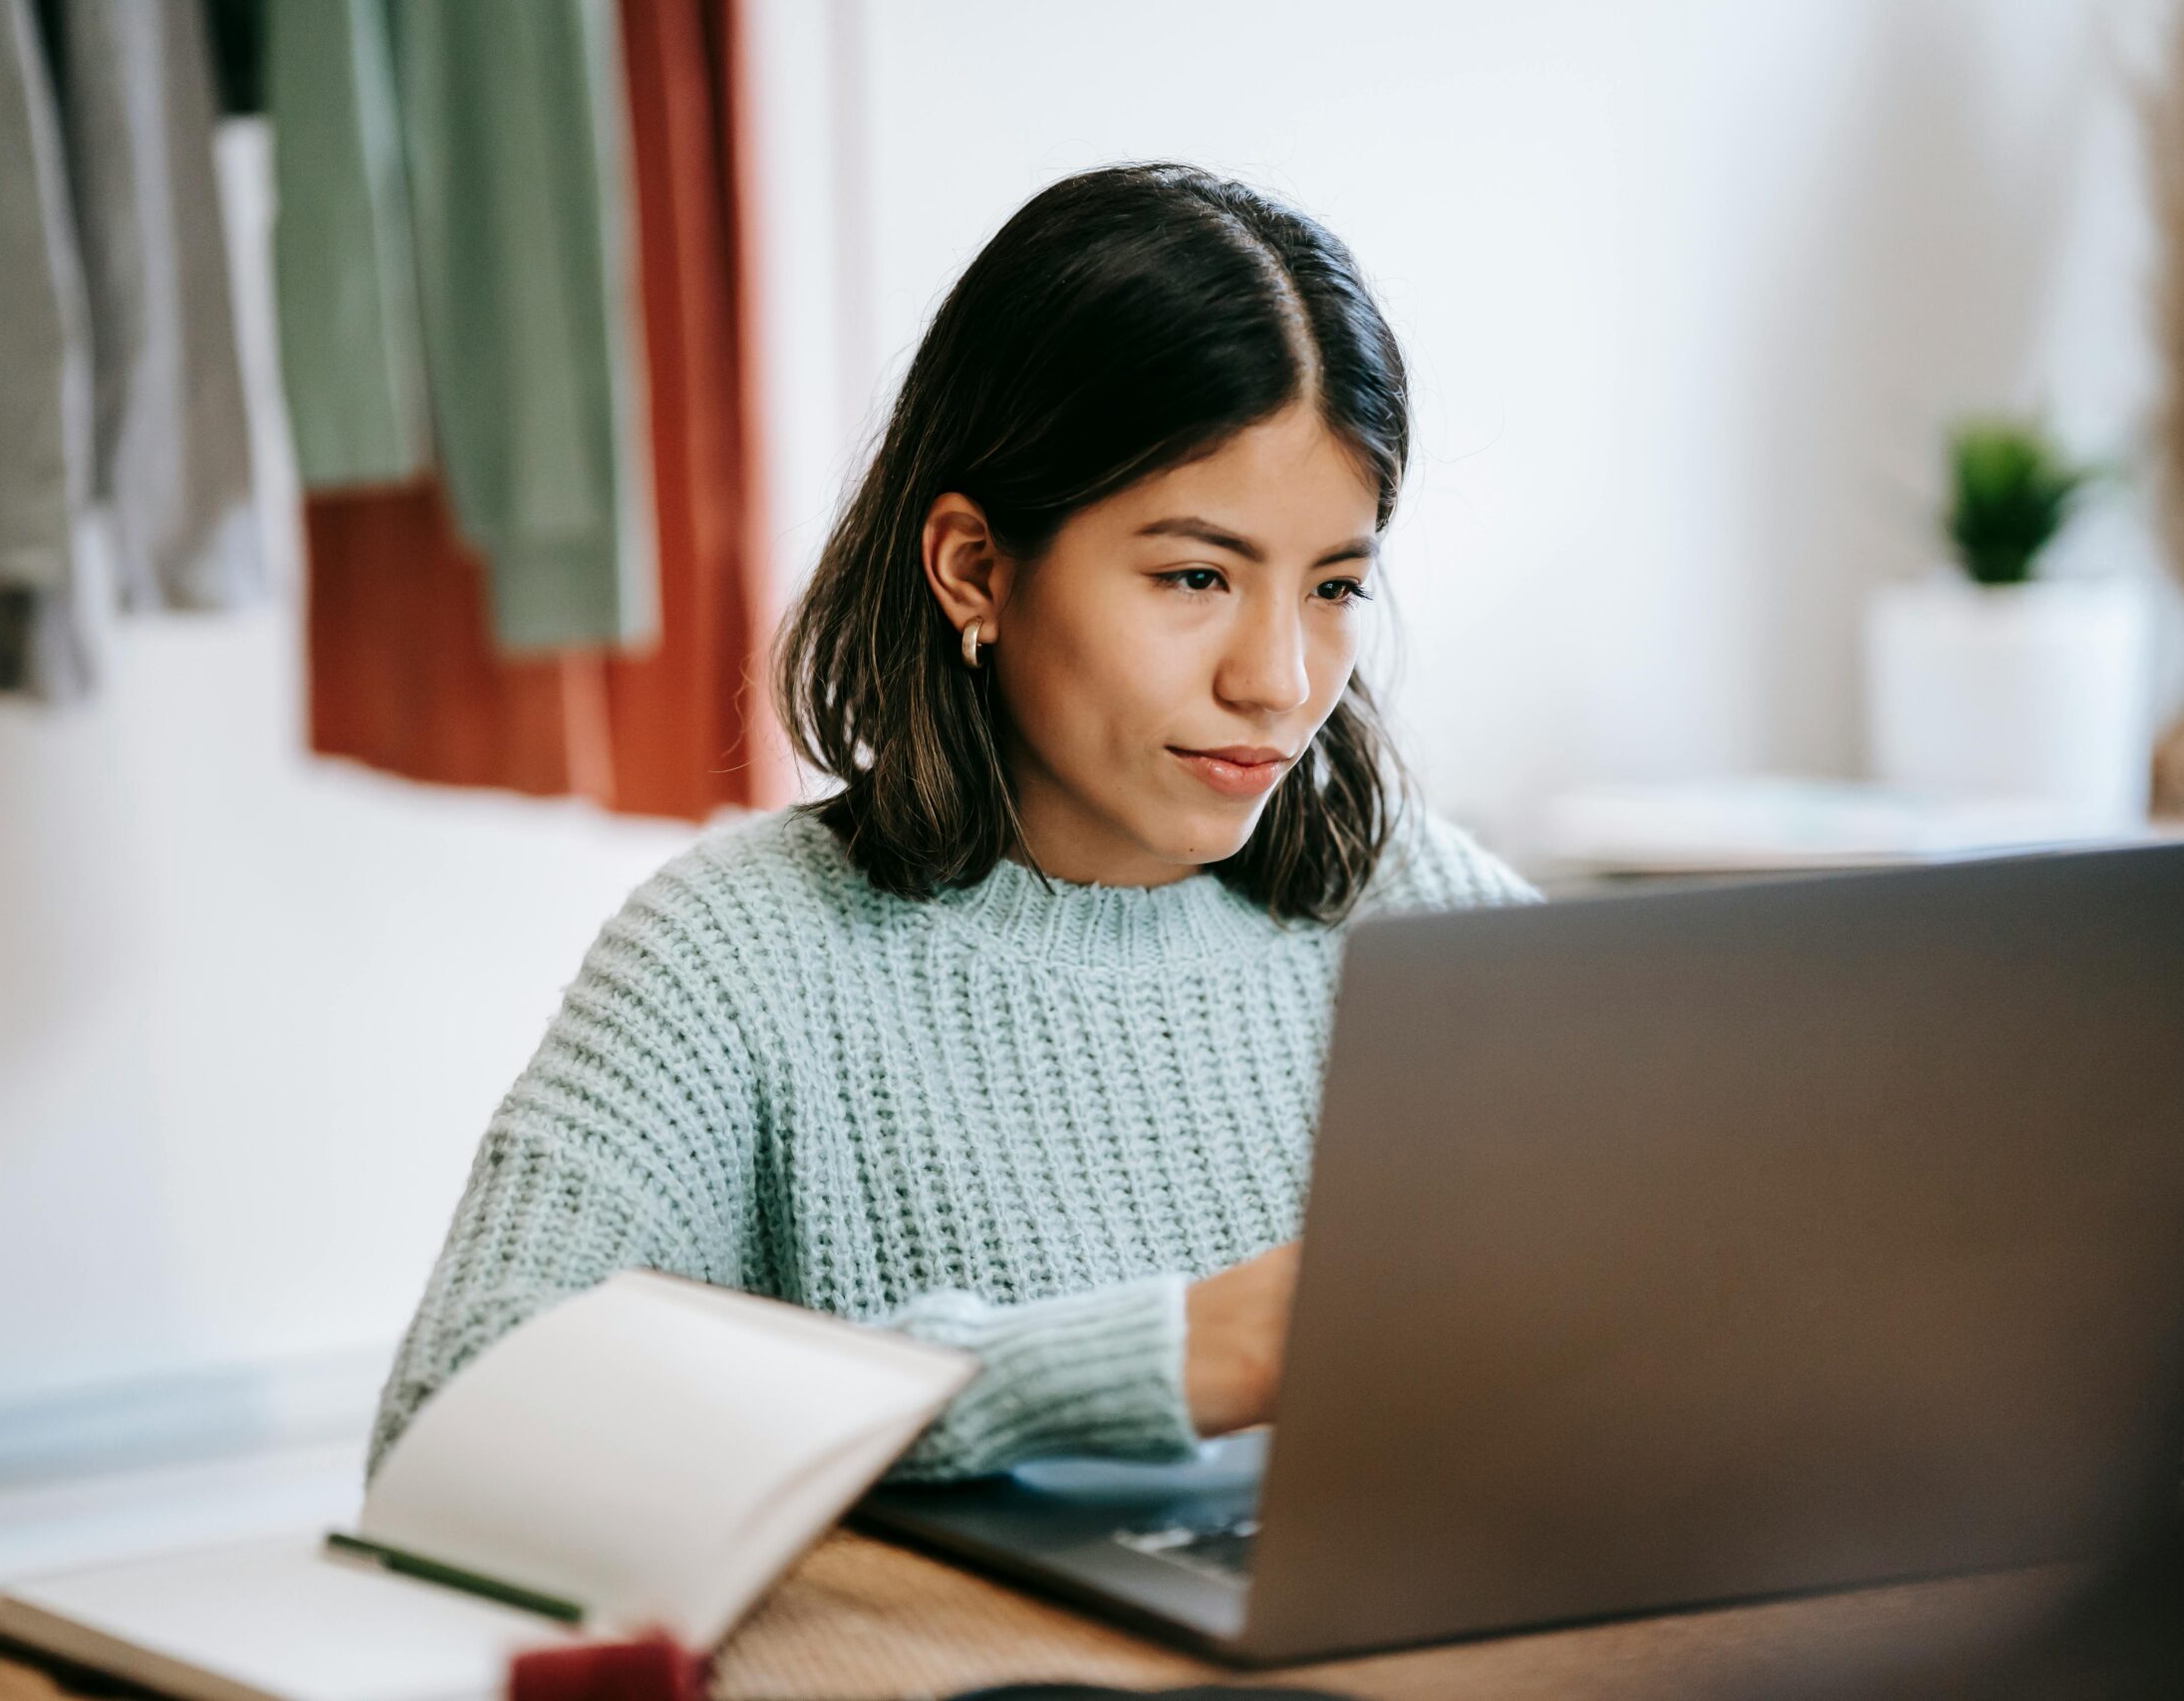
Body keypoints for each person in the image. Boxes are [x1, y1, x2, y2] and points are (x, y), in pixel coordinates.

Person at [365, 161, 1541, 1486]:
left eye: (1333, 587)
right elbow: (447, 1426)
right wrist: (1145, 1359)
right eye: (1196, 576)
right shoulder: (738, 958)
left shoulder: (1427, 917)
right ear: (975, 567)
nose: (1277, 679)